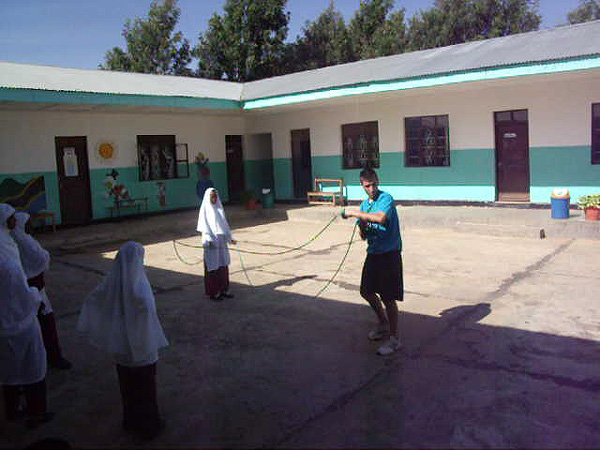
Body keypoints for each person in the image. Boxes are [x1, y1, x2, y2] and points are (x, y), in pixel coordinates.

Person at [77, 241, 169, 439]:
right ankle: (148, 426)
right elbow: (146, 309)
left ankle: (130, 420)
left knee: (127, 387)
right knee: (145, 388)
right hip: (143, 349)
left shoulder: (111, 283)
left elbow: (94, 298)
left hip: (121, 348)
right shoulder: (140, 286)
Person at [0, 204, 53, 429]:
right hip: (18, 319)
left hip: (5, 319)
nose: (15, 220)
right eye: (11, 217)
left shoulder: (7, 242)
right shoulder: (7, 261)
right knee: (33, 365)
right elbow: (19, 289)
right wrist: (34, 296)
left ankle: (12, 410)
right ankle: (36, 412)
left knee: (9, 368)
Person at [342, 168, 404, 355]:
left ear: (378, 181)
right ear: (362, 185)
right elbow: (363, 235)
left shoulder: (386, 199)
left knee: (388, 297)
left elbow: (381, 218)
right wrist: (362, 225)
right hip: (374, 253)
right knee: (366, 291)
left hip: (389, 254)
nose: (372, 188)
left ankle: (394, 339)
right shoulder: (364, 205)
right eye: (368, 185)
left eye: (374, 184)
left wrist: (354, 214)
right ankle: (383, 324)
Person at [11, 212, 72, 370]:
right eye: (27, 224)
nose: (30, 227)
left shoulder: (14, 241)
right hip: (32, 290)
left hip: (25, 292)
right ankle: (52, 358)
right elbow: (42, 259)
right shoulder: (24, 242)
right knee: (45, 325)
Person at [196, 188, 236, 301]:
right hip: (211, 243)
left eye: (215, 196)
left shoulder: (219, 209)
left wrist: (230, 238)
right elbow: (204, 228)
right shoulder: (205, 210)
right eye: (212, 196)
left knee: (223, 265)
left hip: (221, 242)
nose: (214, 199)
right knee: (213, 266)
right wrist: (209, 241)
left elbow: (224, 225)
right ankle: (214, 292)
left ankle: (224, 289)